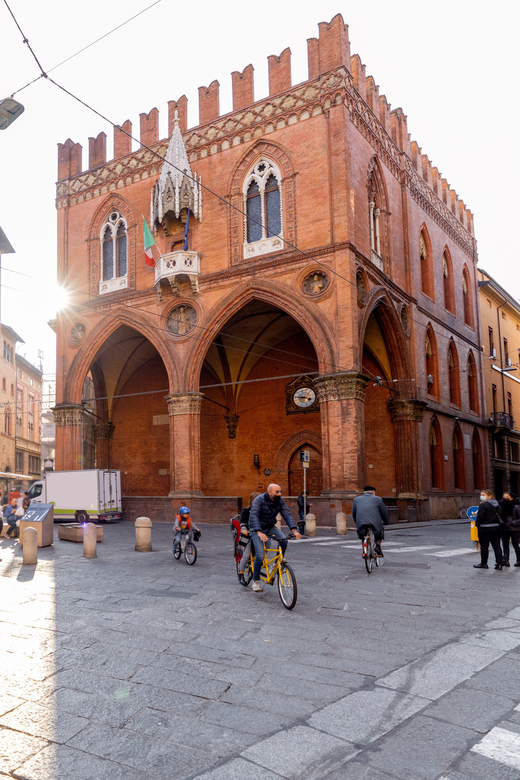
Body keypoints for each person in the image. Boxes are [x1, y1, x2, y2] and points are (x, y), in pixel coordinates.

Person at [248, 484, 301, 592]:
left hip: (270, 527)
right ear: (270, 492)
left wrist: (294, 530)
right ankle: (256, 581)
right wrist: (258, 531)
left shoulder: (279, 501)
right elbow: (254, 516)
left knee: (284, 540)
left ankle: (277, 563)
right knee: (260, 554)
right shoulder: (259, 500)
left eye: (280, 491)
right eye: (277, 492)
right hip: (256, 528)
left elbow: (287, 514)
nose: (280, 494)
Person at [352, 486, 390, 557]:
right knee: (379, 532)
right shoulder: (378, 499)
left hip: (361, 521)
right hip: (375, 522)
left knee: (363, 534)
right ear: (372, 491)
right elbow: (384, 512)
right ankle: (378, 546)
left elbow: (354, 513)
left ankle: (364, 551)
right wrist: (386, 522)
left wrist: (357, 522)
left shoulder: (356, 499)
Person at [474, 488, 503, 570]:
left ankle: (484, 563)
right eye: (481, 495)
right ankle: (499, 564)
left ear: (489, 496)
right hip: (496, 527)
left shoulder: (483, 505)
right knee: (497, 546)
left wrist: (477, 524)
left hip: (485, 528)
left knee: (484, 546)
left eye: (483, 495)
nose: (481, 496)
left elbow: (480, 517)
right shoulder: (497, 504)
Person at [237, 491, 261, 585]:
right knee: (246, 555)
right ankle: (241, 573)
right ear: (251, 501)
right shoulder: (246, 510)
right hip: (247, 535)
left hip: (258, 534)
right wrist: (244, 529)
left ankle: (258, 563)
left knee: (267, 544)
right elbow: (242, 521)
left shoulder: (261, 511)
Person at [500, 492, 520, 568]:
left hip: (515, 529)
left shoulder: (516, 507)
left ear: (512, 498)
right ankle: (506, 560)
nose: (505, 498)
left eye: (507, 497)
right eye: (504, 496)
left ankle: (519, 560)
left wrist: (514, 522)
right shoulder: (501, 507)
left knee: (515, 545)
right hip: (504, 529)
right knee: (505, 545)